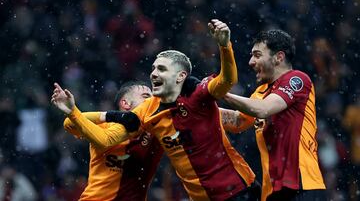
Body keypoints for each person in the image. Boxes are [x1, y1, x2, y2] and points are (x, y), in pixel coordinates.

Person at [51, 19, 257, 200]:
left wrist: (261, 104)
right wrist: (94, 113)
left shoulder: (195, 101)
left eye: (161, 69)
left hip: (238, 189)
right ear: (125, 104)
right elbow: (94, 135)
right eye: (153, 69)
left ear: (180, 77)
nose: (153, 75)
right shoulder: (136, 118)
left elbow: (233, 106)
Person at [222, 29, 326, 201]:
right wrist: (199, 101)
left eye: (257, 55)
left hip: (301, 185)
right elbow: (236, 121)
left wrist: (220, 93)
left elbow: (262, 109)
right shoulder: (260, 93)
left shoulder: (297, 80)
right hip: (272, 192)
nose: (250, 62)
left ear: (279, 57)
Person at [58, 81, 164, 201]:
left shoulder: (156, 133)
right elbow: (69, 123)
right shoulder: (105, 126)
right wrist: (109, 116)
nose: (152, 102)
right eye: (146, 97)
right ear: (125, 103)